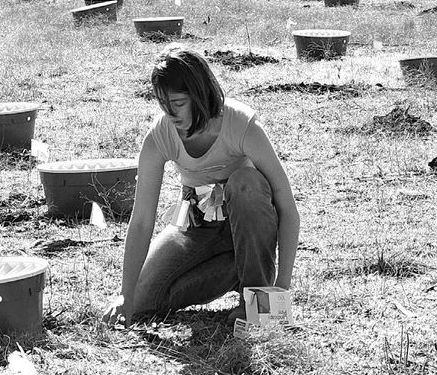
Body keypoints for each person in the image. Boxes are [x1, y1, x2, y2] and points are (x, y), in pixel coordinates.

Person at [103, 45, 300, 326]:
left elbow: (286, 204)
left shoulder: (241, 124)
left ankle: (256, 300)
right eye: (162, 103)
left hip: (248, 221)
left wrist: (282, 286)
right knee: (144, 300)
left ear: (200, 94)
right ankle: (238, 271)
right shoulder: (160, 135)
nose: (170, 113)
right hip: (197, 224)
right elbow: (142, 221)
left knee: (246, 182)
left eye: (178, 103)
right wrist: (126, 295)